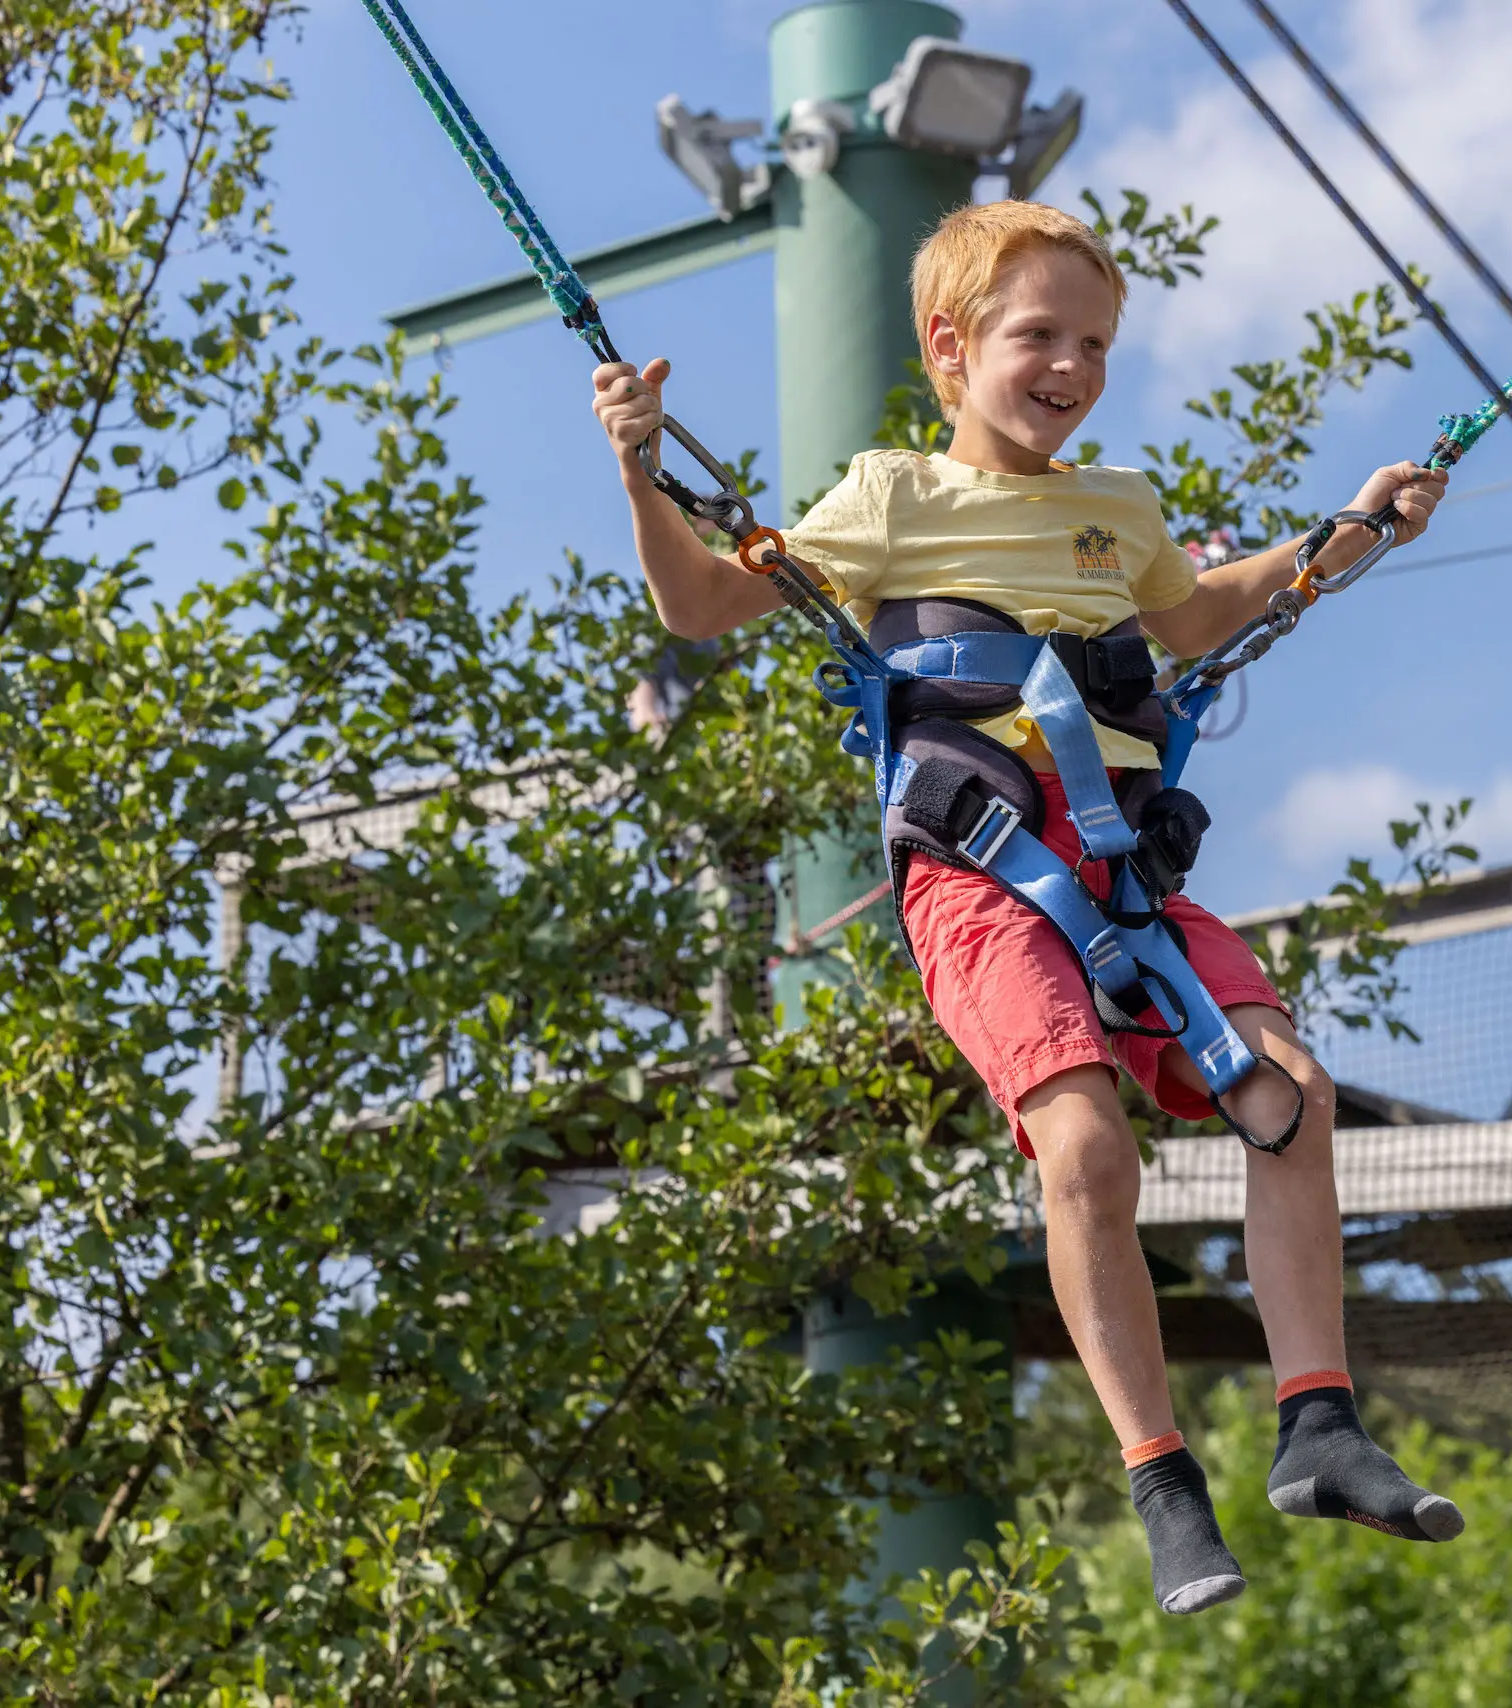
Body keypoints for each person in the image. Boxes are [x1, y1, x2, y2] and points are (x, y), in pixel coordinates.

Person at [589, 199, 1457, 1616]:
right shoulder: (887, 500)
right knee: (1088, 1153)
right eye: (1039, 335)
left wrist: (1352, 531)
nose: (1071, 365)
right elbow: (702, 605)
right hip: (985, 878)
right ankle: (1162, 1479)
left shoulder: (1120, 511)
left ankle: (1320, 1426)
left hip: (1126, 871)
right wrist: (640, 474)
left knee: (1292, 1093)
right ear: (952, 348)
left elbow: (1203, 614)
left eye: (1096, 342)